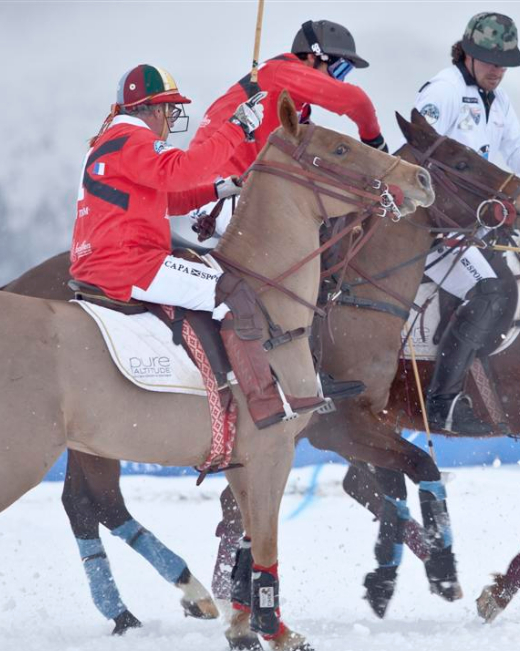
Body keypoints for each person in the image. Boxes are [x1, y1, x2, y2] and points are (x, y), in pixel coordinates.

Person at [71, 64, 324, 427]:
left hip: (104, 258)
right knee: (232, 291)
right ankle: (263, 400)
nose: (171, 119)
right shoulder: (134, 139)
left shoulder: (108, 141)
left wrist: (217, 190)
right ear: (155, 109)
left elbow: (162, 200)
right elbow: (185, 170)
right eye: (170, 110)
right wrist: (237, 129)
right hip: (131, 263)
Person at [181, 19, 388, 400]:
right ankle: (282, 371)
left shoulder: (292, 102)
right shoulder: (283, 72)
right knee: (297, 263)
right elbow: (356, 102)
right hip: (221, 192)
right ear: (312, 57)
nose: (338, 80)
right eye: (338, 69)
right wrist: (375, 141)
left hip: (228, 190)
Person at [413, 12, 520, 434]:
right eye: (488, 60)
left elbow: (516, 149)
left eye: (503, 63)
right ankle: (442, 403)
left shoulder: (498, 100)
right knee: (487, 292)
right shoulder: (443, 91)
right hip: (434, 228)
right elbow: (416, 156)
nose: (497, 70)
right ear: (465, 53)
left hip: (475, 224)